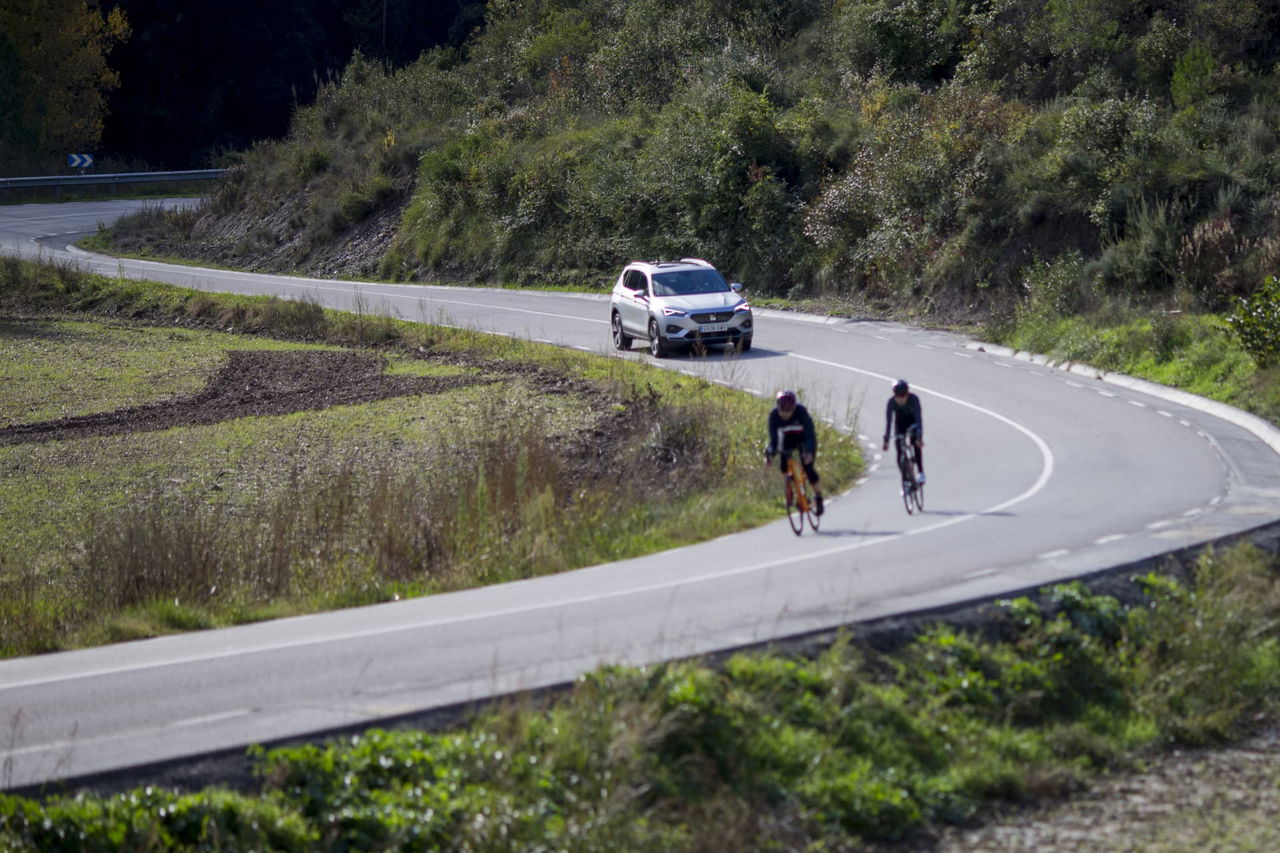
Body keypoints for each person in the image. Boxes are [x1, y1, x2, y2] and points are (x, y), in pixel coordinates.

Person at [764, 389, 824, 515]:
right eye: (783, 410)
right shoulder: (774, 416)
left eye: (789, 410)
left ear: (794, 407)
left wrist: (808, 451)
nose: (786, 414)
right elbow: (774, 440)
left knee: (808, 468)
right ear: (778, 407)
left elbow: (810, 434)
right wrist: (769, 454)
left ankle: (818, 497)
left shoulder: (801, 412)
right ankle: (790, 491)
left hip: (803, 439)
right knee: (784, 465)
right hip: (787, 439)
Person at [882, 379, 924, 485]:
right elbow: (889, 422)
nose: (901, 398)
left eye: (903, 395)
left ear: (907, 393)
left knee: (915, 444)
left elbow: (919, 419)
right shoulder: (891, 402)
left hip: (912, 421)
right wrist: (886, 440)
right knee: (899, 450)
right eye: (898, 395)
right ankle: (905, 480)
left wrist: (919, 437)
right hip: (900, 424)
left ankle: (920, 472)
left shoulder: (914, 399)